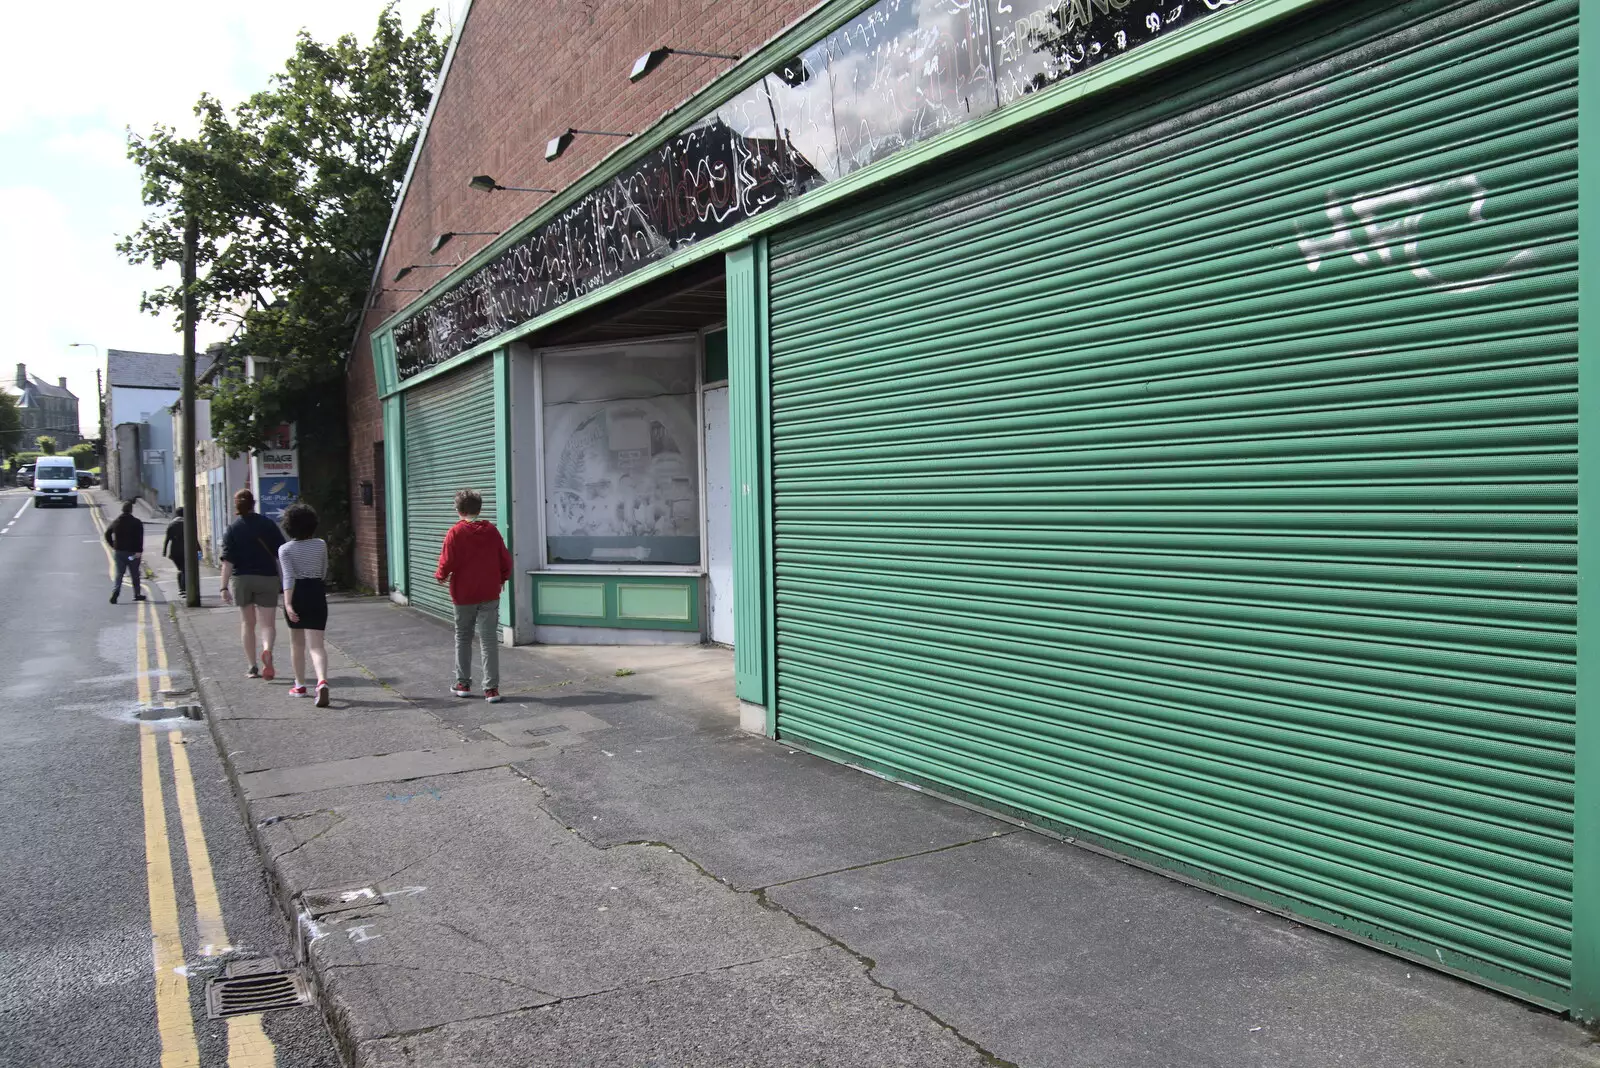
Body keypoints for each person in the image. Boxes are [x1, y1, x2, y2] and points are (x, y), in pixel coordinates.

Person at [435, 488, 511, 703]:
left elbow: (447, 561)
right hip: (489, 592)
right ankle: (492, 689)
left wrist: (440, 575)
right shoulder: (492, 531)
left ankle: (463, 684)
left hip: (464, 593)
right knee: (488, 640)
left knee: (463, 637)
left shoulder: (455, 533)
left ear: (458, 509)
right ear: (480, 508)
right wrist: (502, 578)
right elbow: (505, 559)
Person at [218, 489, 285, 679]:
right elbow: (281, 552)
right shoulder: (268, 525)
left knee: (248, 624)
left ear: (236, 506)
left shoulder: (233, 529)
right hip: (267, 577)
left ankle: (252, 666)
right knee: (268, 624)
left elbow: (227, 561)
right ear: (254, 503)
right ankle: (267, 650)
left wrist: (223, 587)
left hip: (242, 580)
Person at [277, 503, 332, 707]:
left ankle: (300, 685)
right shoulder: (320, 544)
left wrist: (288, 604)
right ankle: (322, 681)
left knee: (297, 644)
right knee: (317, 645)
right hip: (316, 591)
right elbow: (324, 570)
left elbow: (288, 577)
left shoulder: (285, 549)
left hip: (297, 593)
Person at [105, 500, 146, 604]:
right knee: (135, 574)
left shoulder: (117, 521)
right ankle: (137, 594)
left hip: (119, 553)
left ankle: (116, 592)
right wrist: (139, 551)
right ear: (131, 510)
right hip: (133, 554)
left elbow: (107, 534)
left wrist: (113, 545)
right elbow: (140, 538)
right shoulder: (136, 522)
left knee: (119, 574)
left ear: (122, 509)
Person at [162, 507, 187, 596]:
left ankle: (181, 589)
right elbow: (193, 538)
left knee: (180, 570)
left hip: (174, 552)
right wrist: (199, 549)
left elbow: (167, 539)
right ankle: (183, 589)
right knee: (184, 570)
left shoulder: (171, 524)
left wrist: (164, 551)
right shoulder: (186, 523)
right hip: (185, 550)